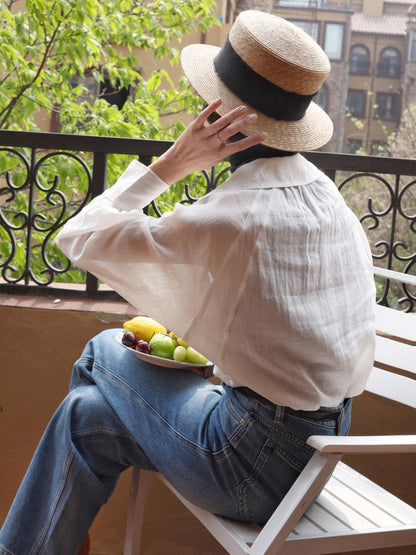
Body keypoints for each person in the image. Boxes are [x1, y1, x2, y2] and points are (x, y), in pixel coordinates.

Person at [0, 10, 375, 554]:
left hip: (251, 468)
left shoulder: (240, 211)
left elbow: (78, 239)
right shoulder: (324, 198)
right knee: (85, 420)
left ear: (222, 116)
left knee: (103, 351)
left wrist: (171, 164)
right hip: (321, 451)